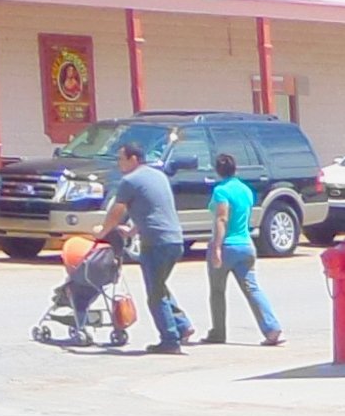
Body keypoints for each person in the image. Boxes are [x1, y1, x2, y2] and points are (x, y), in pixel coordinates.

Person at [94, 138, 192, 352]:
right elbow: (152, 210)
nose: (119, 163)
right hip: (175, 240)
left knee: (155, 294)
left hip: (156, 243)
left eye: (121, 159)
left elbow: (117, 211)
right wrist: (131, 231)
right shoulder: (159, 176)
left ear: (133, 159)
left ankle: (170, 340)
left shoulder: (130, 181)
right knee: (160, 285)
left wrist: (103, 232)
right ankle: (182, 325)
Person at [203, 152, 283, 348]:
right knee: (252, 288)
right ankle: (271, 327)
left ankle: (218, 331)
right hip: (246, 244)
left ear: (217, 170)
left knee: (217, 290)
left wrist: (217, 247)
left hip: (228, 244)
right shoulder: (246, 190)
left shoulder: (221, 191)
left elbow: (222, 218)